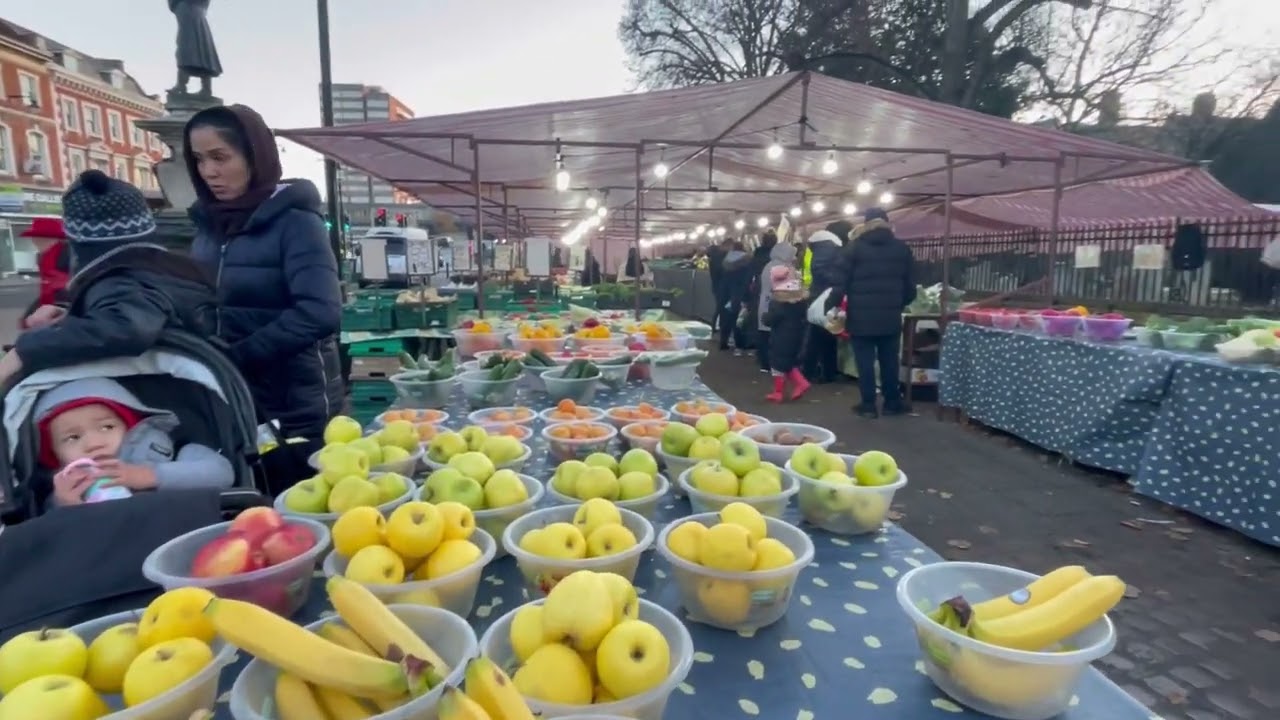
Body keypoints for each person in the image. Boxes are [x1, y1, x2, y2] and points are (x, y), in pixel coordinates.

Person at [184, 104, 343, 446]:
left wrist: (239, 355)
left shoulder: (297, 223)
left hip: (294, 402)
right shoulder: (208, 229)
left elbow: (320, 311)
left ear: (254, 157)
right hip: (233, 397)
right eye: (199, 159)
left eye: (220, 157)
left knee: (293, 491)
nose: (209, 171)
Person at [0, 171, 218, 386]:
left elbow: (127, 327)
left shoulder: (123, 278)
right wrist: (72, 316)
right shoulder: (164, 269)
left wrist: (26, 351)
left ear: (79, 242)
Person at [38, 377, 233, 507]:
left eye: (107, 427)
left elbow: (222, 473)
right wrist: (64, 507)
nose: (94, 443)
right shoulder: (64, 490)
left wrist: (149, 475)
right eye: (73, 438)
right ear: (55, 453)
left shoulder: (175, 453)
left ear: (131, 428)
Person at [836, 208, 916, 417]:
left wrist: (833, 305)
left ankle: (868, 405)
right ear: (887, 224)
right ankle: (891, 402)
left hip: (860, 318)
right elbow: (910, 288)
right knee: (889, 360)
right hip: (890, 317)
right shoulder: (902, 249)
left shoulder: (854, 249)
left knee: (865, 362)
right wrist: (898, 303)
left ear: (865, 224)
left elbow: (840, 283)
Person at [801, 221, 849, 382]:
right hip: (823, 296)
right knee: (818, 336)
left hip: (825, 294)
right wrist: (839, 281)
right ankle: (810, 371)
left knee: (828, 335)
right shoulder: (828, 246)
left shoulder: (826, 246)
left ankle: (827, 372)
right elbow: (819, 269)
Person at [761, 264, 811, 402]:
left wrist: (765, 317)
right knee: (788, 363)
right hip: (798, 335)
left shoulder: (778, 304)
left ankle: (781, 391)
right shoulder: (800, 302)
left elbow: (771, 320)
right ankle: (797, 384)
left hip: (781, 337)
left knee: (777, 364)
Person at [18, 217, 71, 331]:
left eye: (38, 238)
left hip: (64, 303)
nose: (34, 241)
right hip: (53, 301)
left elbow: (68, 282)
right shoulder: (45, 256)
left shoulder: (65, 254)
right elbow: (47, 286)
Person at [755, 239, 795, 374]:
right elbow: (788, 288)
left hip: (765, 301)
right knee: (776, 336)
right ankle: (773, 365)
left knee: (764, 333)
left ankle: (764, 363)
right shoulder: (784, 268)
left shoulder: (768, 265)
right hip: (778, 303)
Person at [717, 240, 752, 351]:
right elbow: (748, 279)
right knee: (739, 318)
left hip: (725, 292)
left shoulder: (725, 260)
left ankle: (723, 341)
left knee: (725, 317)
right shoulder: (747, 260)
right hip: (739, 292)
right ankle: (739, 343)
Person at [706, 237, 731, 330]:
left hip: (717, 286)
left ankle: (718, 326)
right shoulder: (720, 257)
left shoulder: (714, 257)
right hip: (721, 286)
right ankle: (717, 326)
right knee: (721, 307)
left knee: (720, 307)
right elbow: (721, 271)